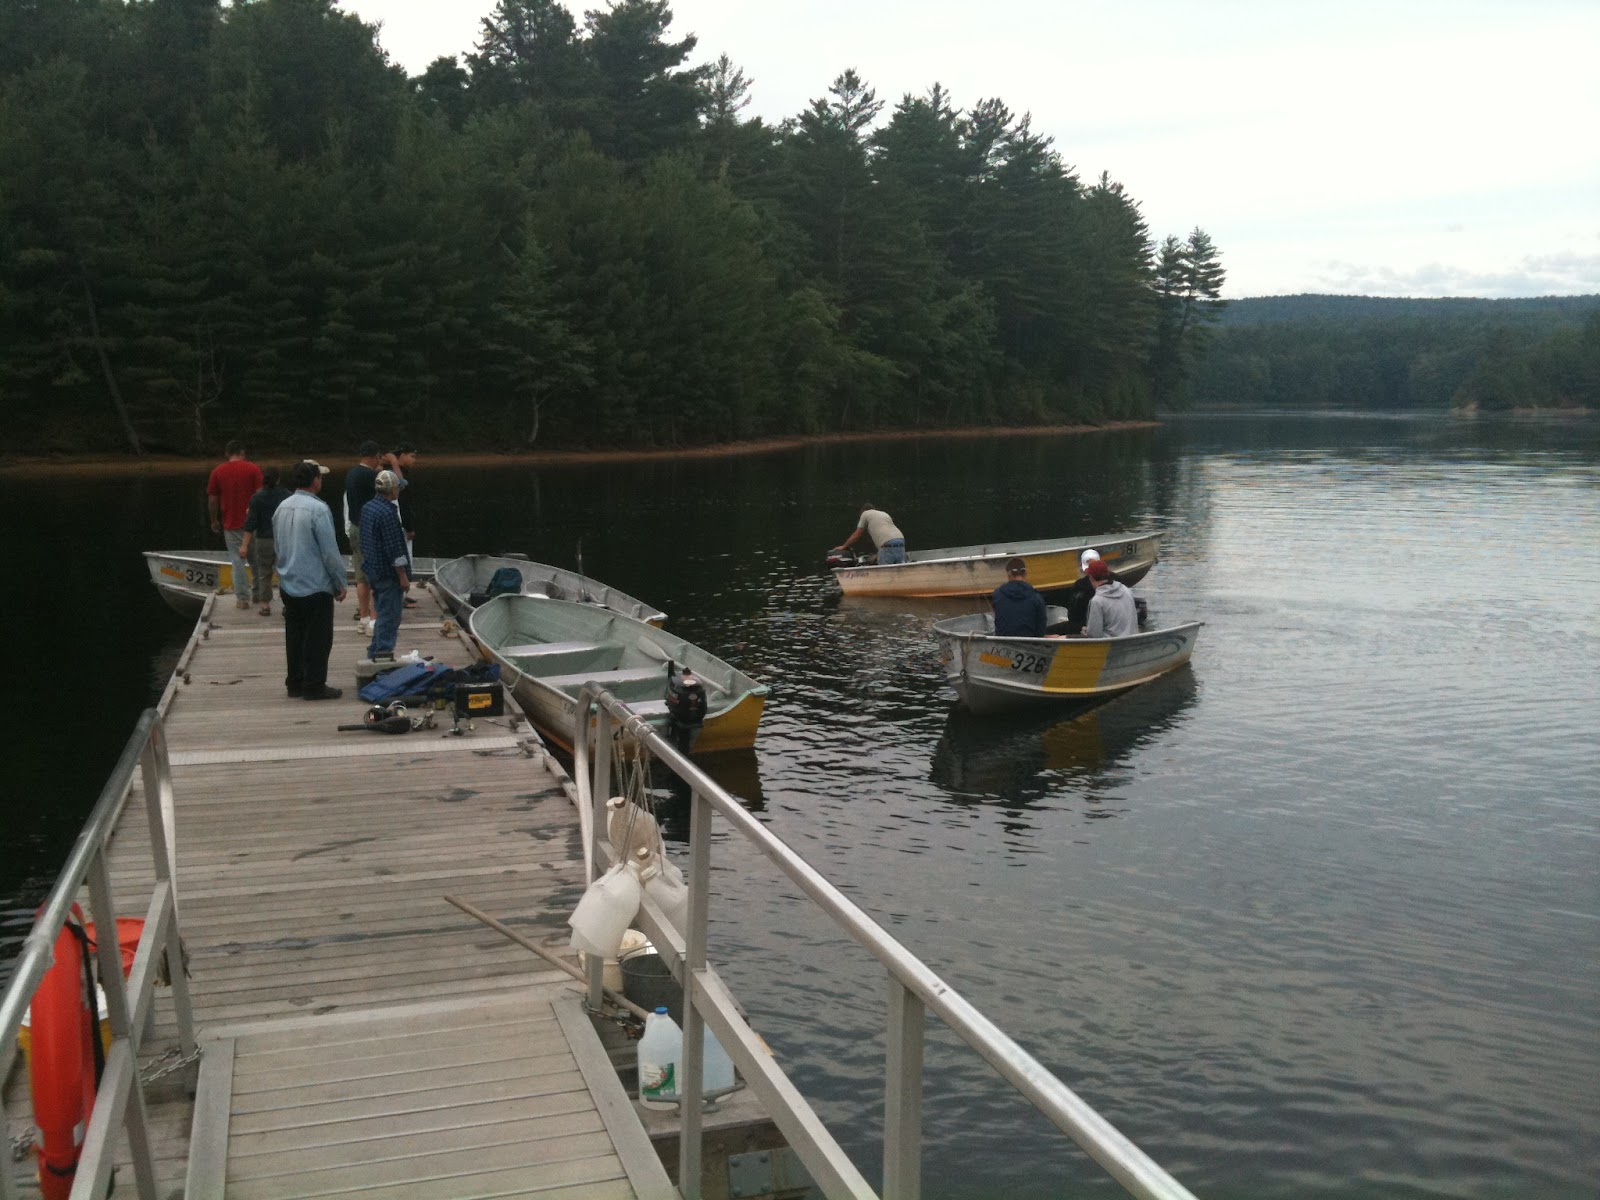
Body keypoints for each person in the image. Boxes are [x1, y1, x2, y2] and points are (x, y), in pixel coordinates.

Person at [272, 460, 348, 700]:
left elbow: (277, 545)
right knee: (318, 637)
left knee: (294, 635)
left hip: (288, 582)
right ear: (315, 481)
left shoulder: (281, 507)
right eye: (320, 478)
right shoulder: (319, 509)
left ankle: (295, 682)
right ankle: (314, 684)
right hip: (315, 585)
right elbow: (329, 551)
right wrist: (339, 582)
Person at [358, 470, 412, 661]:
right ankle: (382, 659)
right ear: (391, 490)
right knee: (390, 619)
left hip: (374, 572)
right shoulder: (388, 513)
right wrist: (403, 576)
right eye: (398, 487)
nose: (399, 490)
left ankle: (373, 653)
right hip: (389, 575)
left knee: (381, 616)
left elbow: (363, 542)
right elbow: (394, 549)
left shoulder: (368, 508)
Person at [206, 440, 263, 609]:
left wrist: (214, 519)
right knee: (256, 560)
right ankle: (259, 595)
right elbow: (260, 495)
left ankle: (242, 598)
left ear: (227, 453)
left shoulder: (218, 471)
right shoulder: (253, 469)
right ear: (242, 452)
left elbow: (212, 498)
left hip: (231, 523)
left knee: (237, 561)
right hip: (253, 523)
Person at [237, 467, 292, 617]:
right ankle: (287, 604)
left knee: (264, 573)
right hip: (283, 539)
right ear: (278, 479)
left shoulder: (257, 498)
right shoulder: (287, 495)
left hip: (263, 539)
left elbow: (250, 524)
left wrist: (244, 545)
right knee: (285, 573)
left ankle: (265, 605)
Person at [343, 440, 383, 625]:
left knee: (360, 576)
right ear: (374, 456)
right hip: (369, 529)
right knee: (375, 574)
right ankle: (375, 619)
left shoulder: (351, 474)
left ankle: (364, 616)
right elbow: (392, 490)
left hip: (354, 526)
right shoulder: (371, 476)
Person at [383, 443, 419, 606]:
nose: (414, 460)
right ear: (401, 455)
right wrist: (409, 527)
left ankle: (404, 594)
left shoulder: (401, 473)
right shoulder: (393, 476)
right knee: (403, 559)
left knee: (406, 560)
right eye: (411, 456)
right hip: (400, 525)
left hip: (403, 522)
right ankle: (400, 594)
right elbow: (402, 503)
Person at [1082, 558, 1139, 638]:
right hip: (1132, 639)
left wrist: (1086, 631)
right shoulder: (1126, 590)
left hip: (1111, 644)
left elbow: (1094, 635)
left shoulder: (1097, 601)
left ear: (1091, 577)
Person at [990, 557, 1047, 637]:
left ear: (1008, 574)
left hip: (1003, 642)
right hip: (1029, 643)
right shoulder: (1036, 597)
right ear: (1025, 573)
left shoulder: (997, 594)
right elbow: (1041, 631)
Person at [832, 504, 906, 565]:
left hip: (887, 544)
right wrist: (878, 554)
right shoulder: (884, 514)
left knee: (885, 573)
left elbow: (857, 535)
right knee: (900, 571)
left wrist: (844, 546)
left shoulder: (865, 514)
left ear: (862, 511)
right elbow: (888, 537)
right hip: (900, 540)